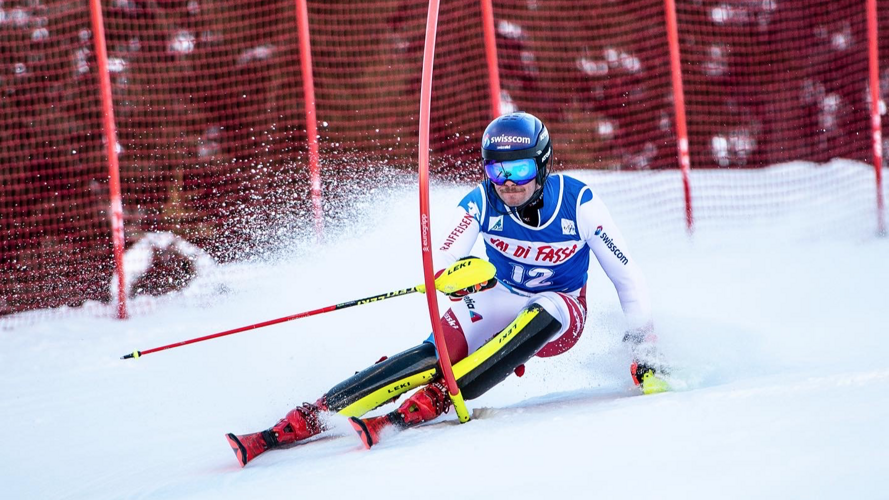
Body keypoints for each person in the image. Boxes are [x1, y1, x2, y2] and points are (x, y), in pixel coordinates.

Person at [226, 112, 668, 467]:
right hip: (501, 295)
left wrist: (643, 347)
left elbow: (626, 277)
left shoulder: (579, 203)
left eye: (519, 168)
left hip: (562, 313)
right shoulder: (482, 200)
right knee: (434, 353)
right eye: (496, 169)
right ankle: (310, 416)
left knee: (547, 309)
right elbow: (445, 254)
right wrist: (454, 275)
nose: (508, 182)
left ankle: (438, 396)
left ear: (542, 163)